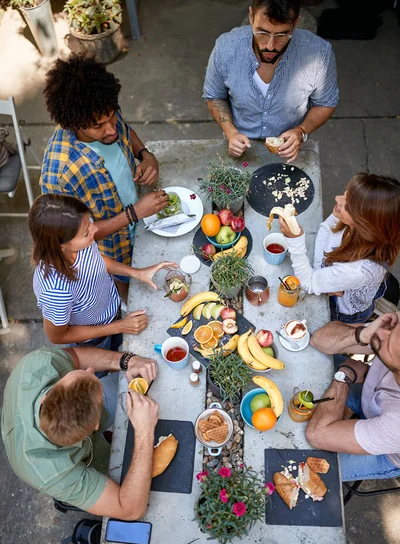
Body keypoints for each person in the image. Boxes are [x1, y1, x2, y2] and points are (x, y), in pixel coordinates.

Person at [40, 54, 169, 298]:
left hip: (143, 221)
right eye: (99, 126)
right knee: (130, 292)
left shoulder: (101, 109)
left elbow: (125, 131)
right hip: (113, 249)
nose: (110, 129)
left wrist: (145, 154)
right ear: (73, 123)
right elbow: (71, 239)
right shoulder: (59, 174)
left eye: (112, 116)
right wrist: (134, 213)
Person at [1, 345, 160, 517]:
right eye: (89, 374)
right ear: (95, 426)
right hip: (68, 465)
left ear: (46, 398)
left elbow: (75, 356)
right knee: (138, 483)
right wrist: (144, 432)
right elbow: (130, 509)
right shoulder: (51, 474)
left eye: (78, 373)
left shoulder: (39, 362)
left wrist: (127, 361)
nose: (91, 370)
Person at [29, 194, 177, 347]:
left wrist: (137, 272)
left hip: (113, 313)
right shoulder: (55, 290)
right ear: (61, 245)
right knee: (104, 368)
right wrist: (118, 327)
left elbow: (96, 261)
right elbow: (58, 336)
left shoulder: (80, 230)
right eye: (86, 233)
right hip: (94, 340)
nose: (95, 229)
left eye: (90, 222)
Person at [203, 0, 338, 161]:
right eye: (262, 32)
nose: (270, 45)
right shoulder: (225, 48)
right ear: (251, 16)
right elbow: (214, 96)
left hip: (290, 148)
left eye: (282, 35)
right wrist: (230, 131)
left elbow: (325, 103)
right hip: (239, 143)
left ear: (296, 23)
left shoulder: (320, 54)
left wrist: (301, 131)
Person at [279, 173, 400, 323]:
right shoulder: (350, 221)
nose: (337, 199)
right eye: (345, 194)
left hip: (342, 310)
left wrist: (295, 240)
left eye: (348, 206)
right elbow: (325, 228)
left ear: (366, 226)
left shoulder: (357, 270)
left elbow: (307, 283)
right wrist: (321, 275)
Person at [306, 313, 400, 482]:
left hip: (387, 452)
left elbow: (317, 435)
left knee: (306, 465)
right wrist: (361, 335)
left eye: (390, 337)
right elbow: (317, 340)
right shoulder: (388, 335)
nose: (383, 332)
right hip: (368, 394)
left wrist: (345, 375)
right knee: (304, 354)